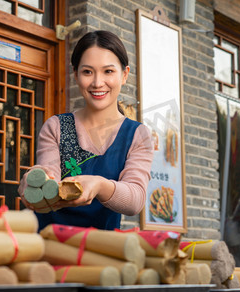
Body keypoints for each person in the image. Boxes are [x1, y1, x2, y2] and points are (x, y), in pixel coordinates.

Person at [18, 30, 154, 230]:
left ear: (124, 75)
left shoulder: (137, 135)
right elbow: (50, 173)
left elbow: (135, 200)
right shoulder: (56, 126)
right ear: (75, 74)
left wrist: (99, 185)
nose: (98, 83)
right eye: (87, 72)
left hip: (100, 251)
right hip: (49, 245)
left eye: (108, 71)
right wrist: (37, 178)